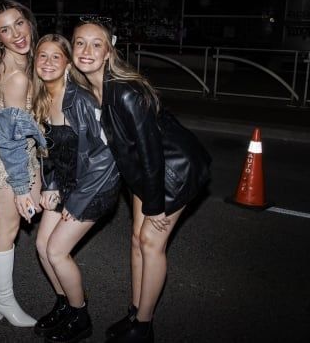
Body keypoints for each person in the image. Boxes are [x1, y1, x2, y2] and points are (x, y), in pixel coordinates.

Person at [72, 19, 211, 342]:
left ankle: (143, 326)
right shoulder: (93, 86)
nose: (87, 50)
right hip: (143, 171)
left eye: (96, 44)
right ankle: (136, 311)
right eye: (80, 43)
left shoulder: (124, 90)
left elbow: (151, 152)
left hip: (173, 169)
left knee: (151, 242)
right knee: (135, 239)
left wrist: (156, 205)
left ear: (109, 52)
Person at [31, 34, 121, 342]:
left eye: (56, 56)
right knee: (42, 246)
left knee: (57, 251)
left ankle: (80, 316)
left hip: (94, 187)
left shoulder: (79, 99)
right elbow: (51, 150)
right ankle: (64, 304)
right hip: (68, 183)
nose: (48, 62)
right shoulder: (43, 97)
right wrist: (50, 185)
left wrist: (77, 202)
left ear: (68, 64)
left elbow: (105, 156)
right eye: (42, 56)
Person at [0, 0, 41, 327]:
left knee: (14, 227)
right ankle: (3, 301)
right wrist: (20, 188)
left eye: (19, 23)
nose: (16, 33)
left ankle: (2, 300)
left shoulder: (26, 62)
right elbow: (13, 139)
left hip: (20, 155)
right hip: (7, 163)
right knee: (6, 230)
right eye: (4, 29)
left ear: (29, 21)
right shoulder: (16, 76)